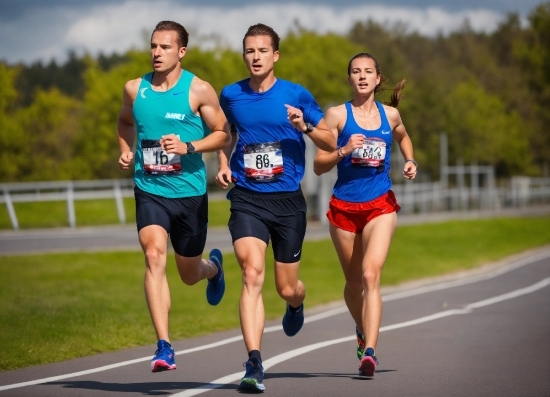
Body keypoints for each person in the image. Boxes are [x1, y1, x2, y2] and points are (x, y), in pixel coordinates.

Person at [215, 23, 335, 392]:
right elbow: (224, 132)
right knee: (252, 274)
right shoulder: (231, 95)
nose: (255, 57)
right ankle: (253, 362)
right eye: (249, 51)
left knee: (286, 287)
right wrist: (222, 162)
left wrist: (305, 127)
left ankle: (296, 303)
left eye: (262, 51)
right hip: (248, 197)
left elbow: (331, 138)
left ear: (275, 55)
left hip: (287, 202)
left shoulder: (296, 94)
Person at [117, 20, 231, 373]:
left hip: (190, 193)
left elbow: (223, 133)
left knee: (187, 273)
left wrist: (189, 146)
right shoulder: (135, 89)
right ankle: (164, 346)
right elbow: (124, 122)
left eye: (165, 47)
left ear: (181, 51)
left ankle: (212, 269)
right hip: (149, 188)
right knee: (154, 255)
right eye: (153, 46)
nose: (156, 52)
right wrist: (125, 148)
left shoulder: (198, 90)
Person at [313, 52, 417, 378]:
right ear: (350, 78)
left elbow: (402, 136)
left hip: (380, 205)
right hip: (343, 208)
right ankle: (361, 329)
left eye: (367, 72)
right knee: (353, 282)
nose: (361, 76)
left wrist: (409, 160)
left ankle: (369, 352)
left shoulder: (391, 115)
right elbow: (318, 165)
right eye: (355, 72)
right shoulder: (335, 117)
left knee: (371, 275)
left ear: (377, 78)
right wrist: (343, 150)